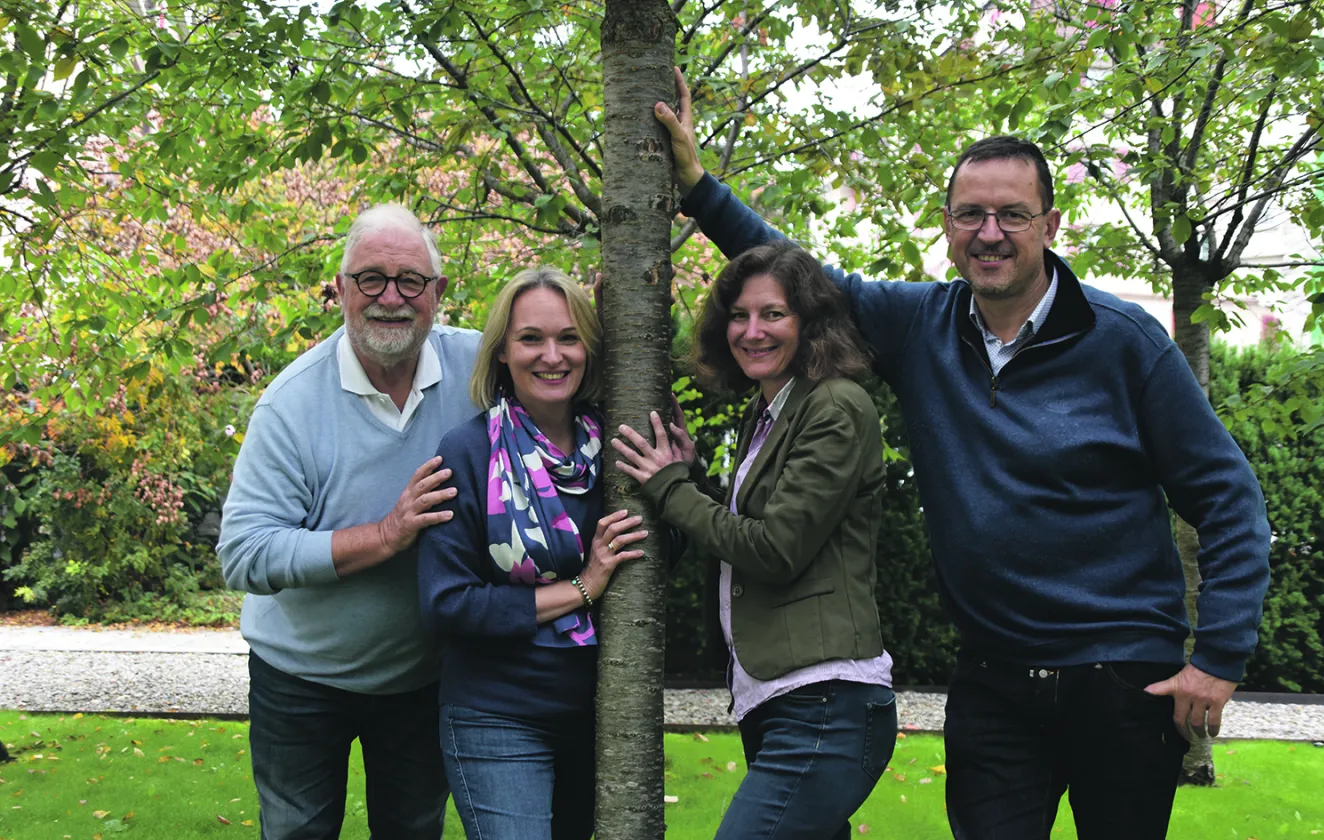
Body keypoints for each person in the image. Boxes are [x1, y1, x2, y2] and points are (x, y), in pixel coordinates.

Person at [653, 69, 1272, 840]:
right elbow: (796, 280)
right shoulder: (921, 326)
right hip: (994, 680)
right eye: (971, 214)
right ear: (947, 226)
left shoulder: (1126, 344)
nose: (990, 233)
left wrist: (1216, 658)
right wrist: (700, 187)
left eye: (1012, 214)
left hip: (1123, 678)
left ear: (1051, 224)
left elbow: (1228, 497)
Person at [611, 241, 897, 840]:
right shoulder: (769, 410)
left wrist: (669, 489)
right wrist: (690, 481)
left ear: (810, 323)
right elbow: (754, 524)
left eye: (773, 314)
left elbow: (774, 549)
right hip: (776, 698)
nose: (752, 331)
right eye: (739, 315)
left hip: (825, 702)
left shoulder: (835, 406)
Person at [218, 204, 481, 838]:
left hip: (422, 676)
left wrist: (609, 320)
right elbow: (244, 553)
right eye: (371, 279)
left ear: (438, 293)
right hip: (300, 678)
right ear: (339, 289)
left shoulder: (480, 370)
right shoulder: (291, 403)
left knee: (414, 831)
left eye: (410, 280)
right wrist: (385, 536)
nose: (391, 297)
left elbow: (563, 365)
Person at [417, 267, 648, 840]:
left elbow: (656, 558)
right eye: (531, 339)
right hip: (496, 713)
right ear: (501, 353)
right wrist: (583, 586)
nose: (553, 355)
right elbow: (446, 603)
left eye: (569, 337)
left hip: (604, 714)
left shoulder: (616, 449)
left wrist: (675, 481)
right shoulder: (468, 453)